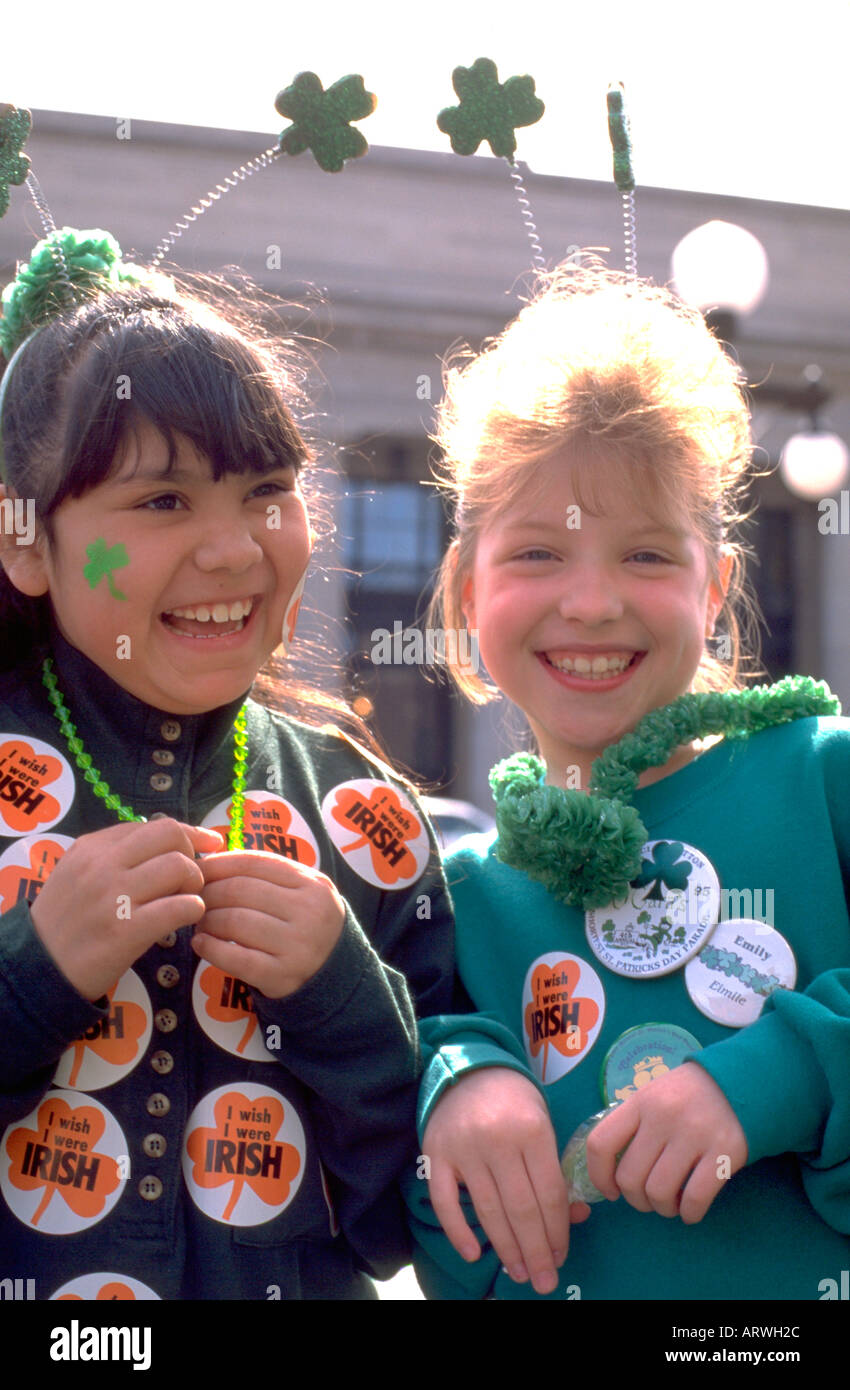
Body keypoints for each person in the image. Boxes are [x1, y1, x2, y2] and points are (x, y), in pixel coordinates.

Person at [0, 230, 453, 1300]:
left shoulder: (364, 813)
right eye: (161, 501)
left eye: (266, 489)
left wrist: (345, 999)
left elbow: (422, 1229)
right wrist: (34, 973)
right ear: (26, 539)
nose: (235, 549)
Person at [405, 260, 850, 1301]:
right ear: (467, 592)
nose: (593, 602)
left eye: (647, 555)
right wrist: (455, 1085)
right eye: (535, 557)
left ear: (715, 584)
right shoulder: (454, 894)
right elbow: (418, 1227)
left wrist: (781, 1074)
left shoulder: (822, 777)